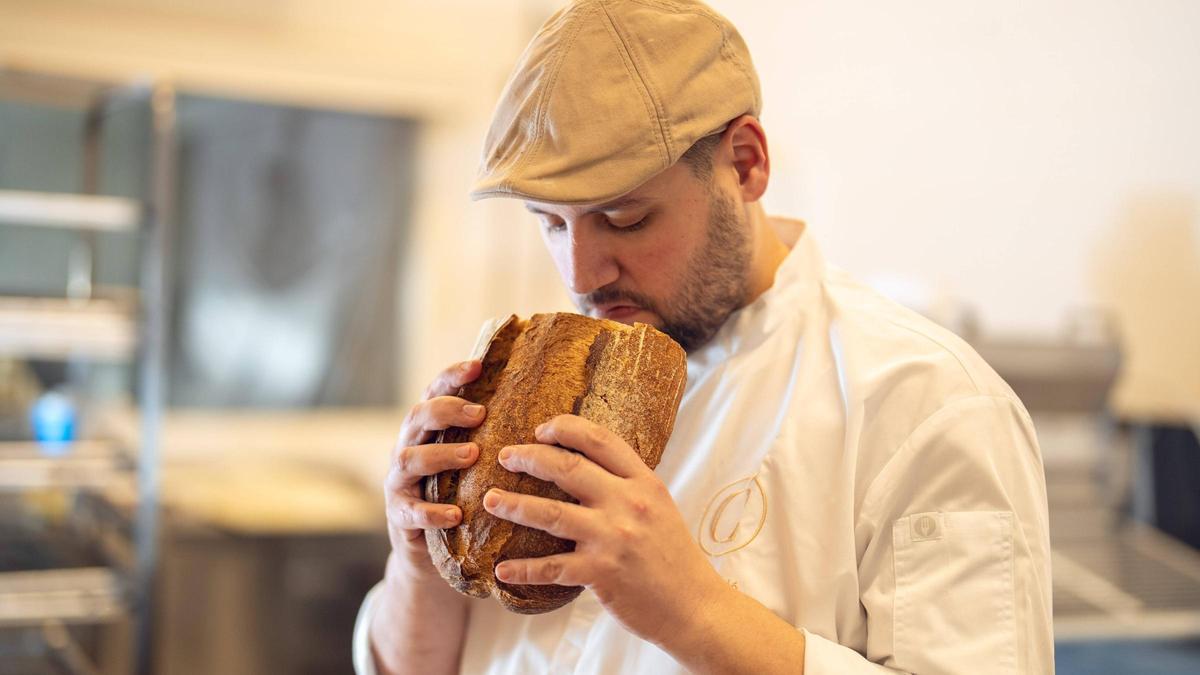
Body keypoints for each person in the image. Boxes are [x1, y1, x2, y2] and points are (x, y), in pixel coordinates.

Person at [353, 1, 1054, 673]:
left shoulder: (925, 404)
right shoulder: (535, 384)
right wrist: (417, 559)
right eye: (552, 223)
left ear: (745, 163)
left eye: (624, 219)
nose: (581, 273)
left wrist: (691, 611)